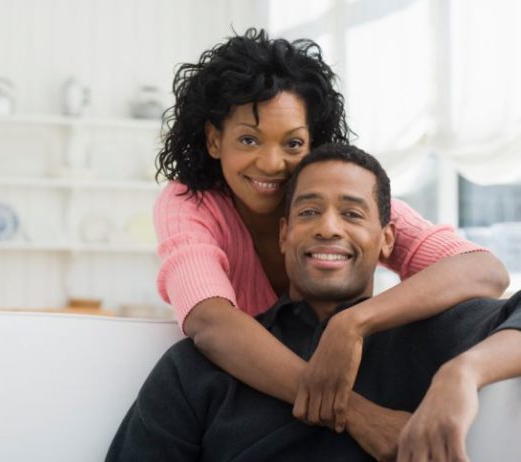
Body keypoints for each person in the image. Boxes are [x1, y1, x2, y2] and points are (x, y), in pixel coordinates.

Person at [153, 28, 509, 430]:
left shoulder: (341, 202)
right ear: (215, 140)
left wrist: (352, 324)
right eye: (249, 140)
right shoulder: (190, 203)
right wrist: (358, 416)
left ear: (314, 144)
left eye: (292, 144)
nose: (272, 164)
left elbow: (484, 271)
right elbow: (210, 321)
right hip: (250, 406)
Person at [109, 144, 521, 461]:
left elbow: (490, 276)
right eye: (309, 212)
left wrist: (462, 373)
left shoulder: (433, 334)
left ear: (388, 240)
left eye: (352, 214)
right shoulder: (198, 369)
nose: (328, 228)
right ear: (284, 234)